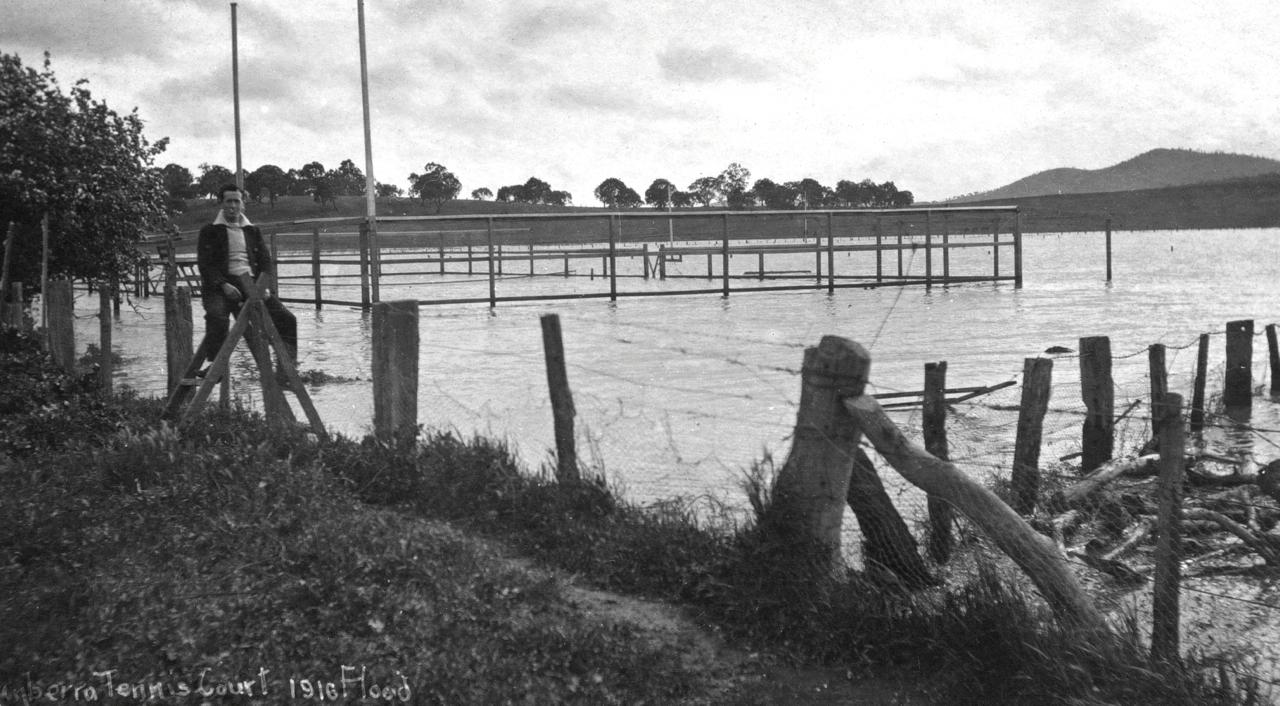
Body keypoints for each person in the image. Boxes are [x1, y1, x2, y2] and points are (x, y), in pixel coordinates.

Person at [197, 183, 297, 382]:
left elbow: (266, 263)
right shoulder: (209, 231)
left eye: (237, 201)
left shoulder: (252, 231)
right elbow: (206, 265)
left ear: (243, 204)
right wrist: (223, 285)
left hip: (251, 284)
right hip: (221, 286)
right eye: (228, 201)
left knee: (287, 319)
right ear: (221, 204)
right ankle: (217, 368)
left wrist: (263, 286)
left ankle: (286, 370)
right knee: (217, 317)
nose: (233, 206)